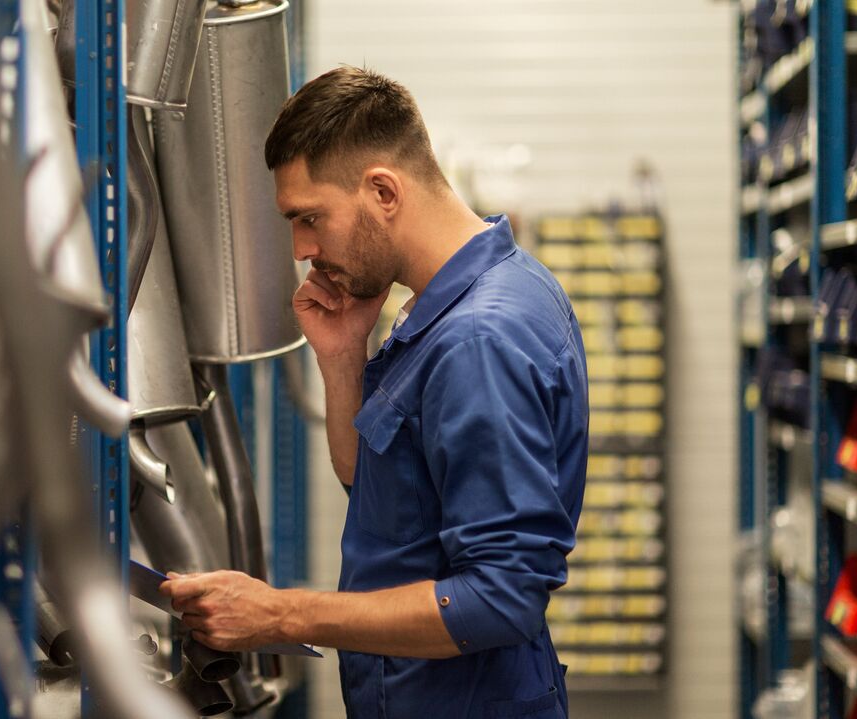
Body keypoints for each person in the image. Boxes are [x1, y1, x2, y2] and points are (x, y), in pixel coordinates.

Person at [160, 66, 587, 718]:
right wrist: (341, 358)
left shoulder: (479, 339)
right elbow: (382, 489)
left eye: (310, 218)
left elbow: (499, 597)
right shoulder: (444, 304)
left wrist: (280, 611)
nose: (303, 249)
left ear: (383, 190)